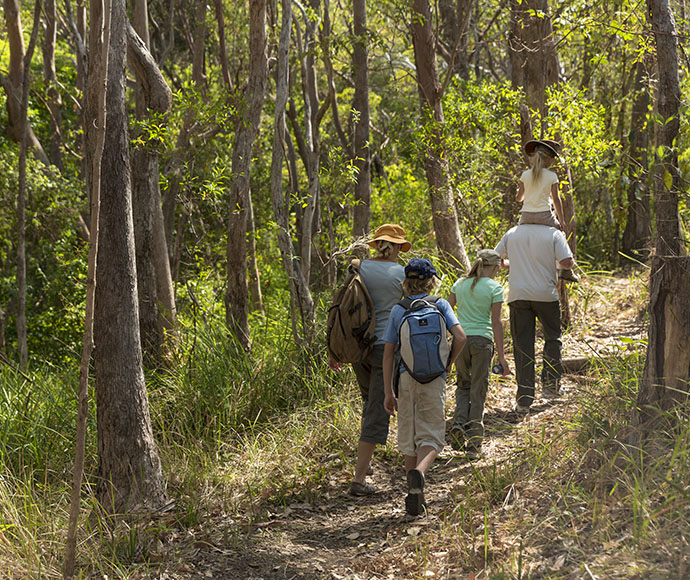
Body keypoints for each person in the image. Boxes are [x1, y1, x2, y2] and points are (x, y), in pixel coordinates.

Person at [329, 224, 411, 496]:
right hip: (386, 348)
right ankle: (359, 480)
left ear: (376, 245)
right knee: (378, 409)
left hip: (358, 347)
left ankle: (366, 462)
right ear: (397, 247)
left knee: (370, 403)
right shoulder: (402, 274)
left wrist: (334, 350)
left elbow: (340, 308)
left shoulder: (358, 268)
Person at [382, 258, 466, 516]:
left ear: (406, 282)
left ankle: (413, 493)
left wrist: (388, 391)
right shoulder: (440, 305)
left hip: (406, 379)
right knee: (431, 435)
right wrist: (448, 363)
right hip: (434, 379)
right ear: (431, 281)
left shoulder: (399, 309)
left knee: (409, 437)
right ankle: (420, 472)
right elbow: (461, 337)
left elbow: (388, 353)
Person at [494, 224, 574, 414]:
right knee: (553, 338)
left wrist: (515, 264)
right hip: (546, 295)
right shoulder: (554, 233)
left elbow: (494, 259)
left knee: (522, 345)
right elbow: (567, 262)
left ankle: (524, 399)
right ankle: (552, 385)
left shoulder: (512, 232)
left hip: (519, 295)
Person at [447, 249, 511, 459]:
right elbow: (496, 322)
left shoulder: (460, 284)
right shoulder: (495, 287)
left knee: (463, 385)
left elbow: (446, 312)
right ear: (493, 267)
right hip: (483, 341)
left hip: (460, 341)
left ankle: (458, 424)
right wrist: (501, 356)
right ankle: (474, 443)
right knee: (478, 390)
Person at [517, 139, 578, 283]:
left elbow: (519, 199)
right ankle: (566, 270)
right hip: (544, 216)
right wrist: (561, 222)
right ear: (549, 159)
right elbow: (556, 200)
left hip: (525, 217)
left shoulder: (525, 175)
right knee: (560, 234)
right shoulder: (552, 176)